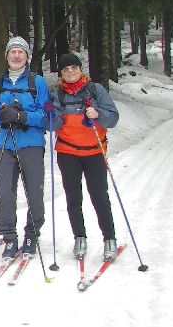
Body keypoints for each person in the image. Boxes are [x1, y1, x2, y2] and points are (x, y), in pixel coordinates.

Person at [47, 53, 120, 261]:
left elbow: (113, 118)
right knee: (73, 198)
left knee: (99, 197)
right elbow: (51, 126)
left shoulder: (96, 90)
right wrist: (51, 115)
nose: (70, 71)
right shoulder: (56, 94)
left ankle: (109, 238)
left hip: (94, 152)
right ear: (61, 74)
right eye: (66, 69)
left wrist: (98, 114)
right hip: (68, 153)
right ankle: (79, 237)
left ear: (81, 70)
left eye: (74, 67)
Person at [0, 36, 49, 258]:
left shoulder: (37, 82)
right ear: (6, 56)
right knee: (5, 194)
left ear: (27, 56)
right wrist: (2, 115)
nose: (16, 55)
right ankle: (9, 238)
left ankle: (32, 234)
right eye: (12, 51)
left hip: (31, 143)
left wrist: (22, 116)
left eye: (21, 52)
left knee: (34, 193)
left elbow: (47, 115)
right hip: (6, 143)